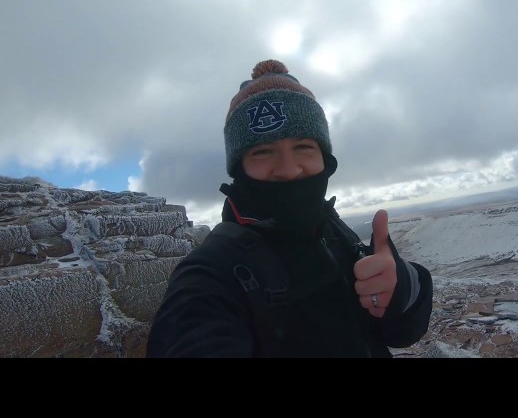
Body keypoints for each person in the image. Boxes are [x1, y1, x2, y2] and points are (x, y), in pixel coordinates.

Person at [145, 59, 433, 358]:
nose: (289, 170)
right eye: (263, 151)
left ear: (324, 157)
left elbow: (401, 332)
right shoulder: (211, 273)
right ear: (238, 168)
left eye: (303, 147)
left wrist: (402, 288)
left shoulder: (332, 231)